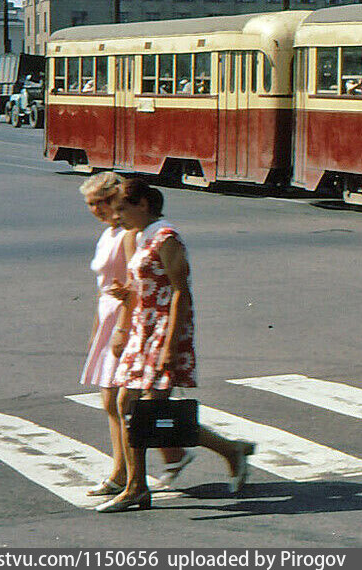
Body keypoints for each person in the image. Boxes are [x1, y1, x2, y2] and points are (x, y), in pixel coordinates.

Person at [96, 178, 255, 513]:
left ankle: (137, 486)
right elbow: (144, 284)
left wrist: (170, 347)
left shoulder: (167, 238)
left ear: (143, 205)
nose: (116, 215)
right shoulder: (138, 236)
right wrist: (126, 296)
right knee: (139, 408)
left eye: (123, 208)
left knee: (145, 411)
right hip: (143, 328)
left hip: (163, 332)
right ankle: (228, 451)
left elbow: (181, 291)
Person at [79, 172, 194, 500]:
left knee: (123, 402)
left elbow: (141, 287)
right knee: (120, 402)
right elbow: (109, 287)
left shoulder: (134, 235)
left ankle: (127, 475)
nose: (98, 211)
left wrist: (122, 328)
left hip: (132, 321)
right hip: (113, 317)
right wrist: (97, 329)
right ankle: (156, 464)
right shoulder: (111, 234)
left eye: (99, 203)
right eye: (91, 205)